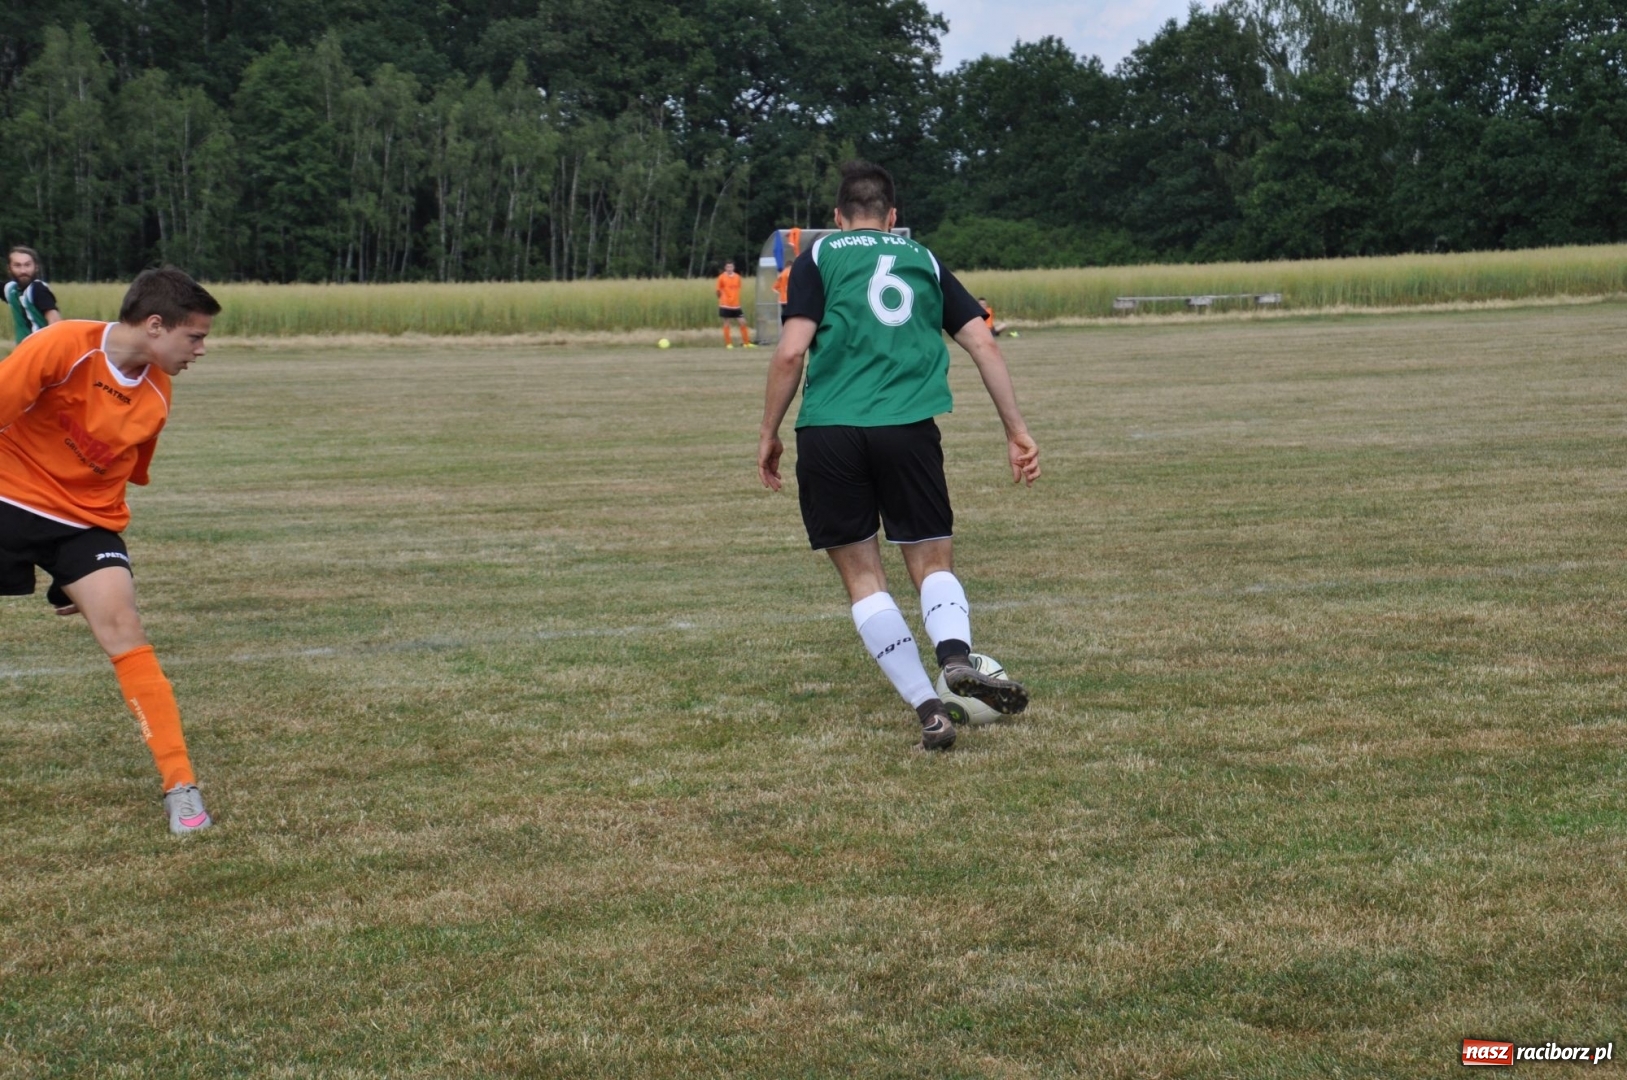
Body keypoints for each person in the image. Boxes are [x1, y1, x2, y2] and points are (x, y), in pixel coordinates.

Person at [756, 162, 1041, 751]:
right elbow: (982, 342)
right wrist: (1016, 430)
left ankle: (929, 710)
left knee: (864, 578)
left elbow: (789, 353)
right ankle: (956, 657)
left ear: (837, 218)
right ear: (892, 217)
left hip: (830, 430)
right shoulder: (923, 258)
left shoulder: (817, 256)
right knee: (932, 562)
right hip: (908, 430)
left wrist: (769, 432)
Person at [0, 267, 221, 833]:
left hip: (82, 524)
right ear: (155, 325)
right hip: (8, 496)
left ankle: (181, 789)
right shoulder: (61, 345)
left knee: (125, 627)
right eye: (194, 336)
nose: (201, 349)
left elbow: (119, 475)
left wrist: (80, 572)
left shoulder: (158, 393)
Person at [6, 246, 62, 344]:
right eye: (17, 265)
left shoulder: (37, 289)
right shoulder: (12, 290)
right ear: (9, 268)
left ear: (36, 267)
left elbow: (56, 323)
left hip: (40, 348)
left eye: (27, 265)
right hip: (24, 350)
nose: (23, 271)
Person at [715, 260, 754, 349]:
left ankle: (746, 343)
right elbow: (718, 290)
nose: (729, 268)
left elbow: (738, 288)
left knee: (743, 322)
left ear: (734, 267)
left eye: (731, 267)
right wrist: (721, 299)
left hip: (736, 305)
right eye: (728, 267)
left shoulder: (737, 277)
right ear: (725, 268)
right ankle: (728, 343)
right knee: (727, 323)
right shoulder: (721, 277)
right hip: (725, 304)